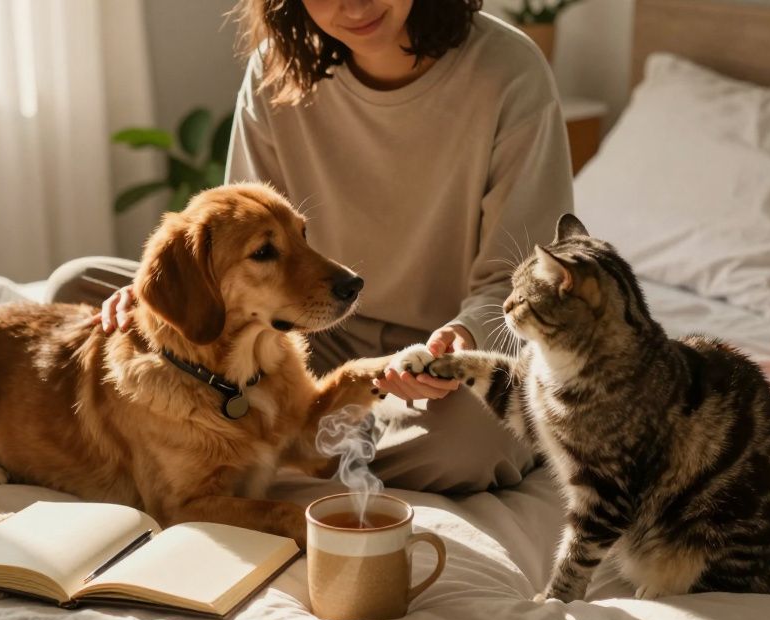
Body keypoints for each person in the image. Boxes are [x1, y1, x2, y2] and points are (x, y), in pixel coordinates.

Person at [45, 0, 574, 492]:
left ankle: (276, 443)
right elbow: (238, 232)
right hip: (306, 328)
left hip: (439, 351)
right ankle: (292, 438)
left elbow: (522, 276)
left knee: (469, 448)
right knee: (78, 285)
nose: (354, 6)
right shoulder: (276, 69)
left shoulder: (509, 71)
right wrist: (158, 297)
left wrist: (461, 336)